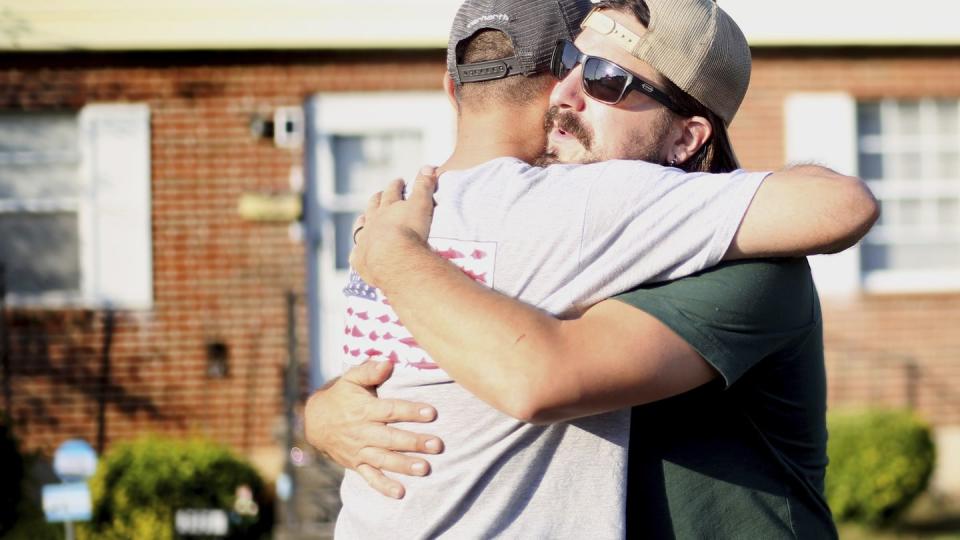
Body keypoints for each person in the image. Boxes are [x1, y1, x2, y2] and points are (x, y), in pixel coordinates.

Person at [310, 0, 877, 538]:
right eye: (568, 63)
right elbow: (454, 355)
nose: (564, 93)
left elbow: (536, 375)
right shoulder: (558, 227)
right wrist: (326, 410)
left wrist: (393, 257)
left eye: (608, 80)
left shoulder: (749, 268)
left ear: (686, 138)